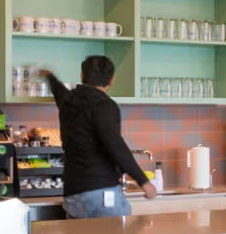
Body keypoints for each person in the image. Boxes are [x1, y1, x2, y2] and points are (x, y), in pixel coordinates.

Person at [44, 56, 156, 219]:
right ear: (111, 81)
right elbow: (115, 144)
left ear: (82, 76)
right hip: (102, 193)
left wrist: (49, 76)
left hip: (73, 195)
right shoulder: (104, 105)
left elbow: (57, 89)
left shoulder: (68, 100)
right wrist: (144, 182)